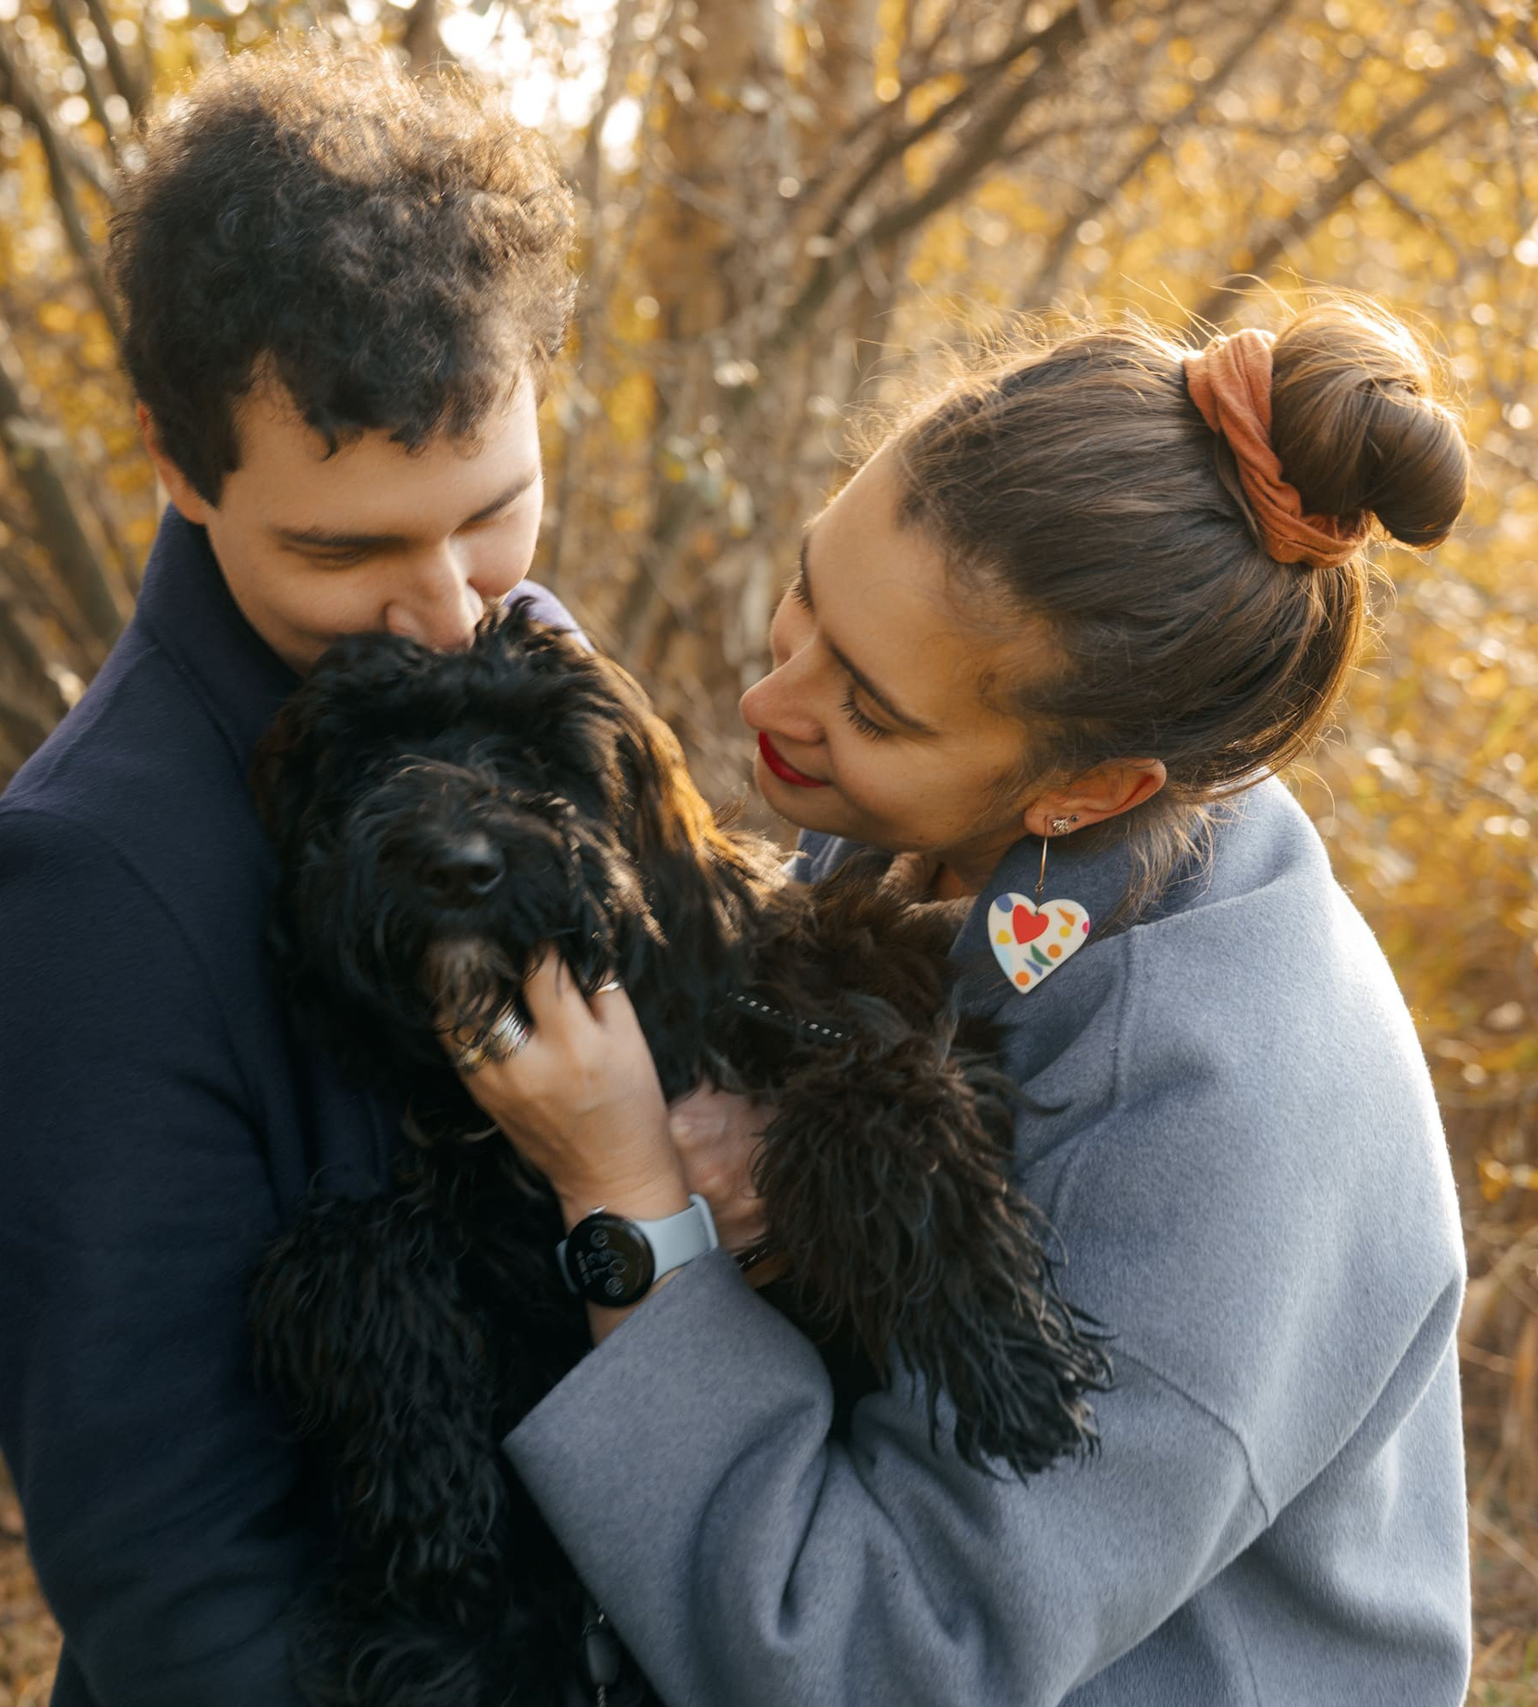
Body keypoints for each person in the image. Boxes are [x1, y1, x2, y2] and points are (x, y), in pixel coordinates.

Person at [456, 300, 1475, 1703]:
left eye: (872, 710)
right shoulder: (943, 834)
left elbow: (873, 1661)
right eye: (809, 590)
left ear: (1092, 790)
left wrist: (627, 1200)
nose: (771, 700)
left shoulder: (1224, 1114)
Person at [0, 40, 583, 1705]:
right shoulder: (85, 884)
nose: (445, 609)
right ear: (173, 460)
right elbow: (177, 1581)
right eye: (344, 549)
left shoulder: (532, 660)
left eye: (492, 512)